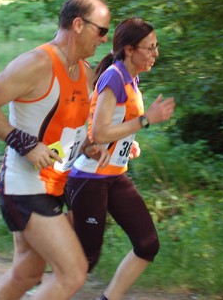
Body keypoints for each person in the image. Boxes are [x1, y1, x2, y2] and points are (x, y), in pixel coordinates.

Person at [0, 0, 111, 300]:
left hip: (53, 186)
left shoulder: (84, 72)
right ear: (78, 24)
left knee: (27, 273)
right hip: (25, 188)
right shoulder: (36, 63)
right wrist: (25, 144)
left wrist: (87, 146)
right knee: (72, 273)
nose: (104, 39)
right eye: (101, 31)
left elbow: (66, 127)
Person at [66, 17, 176, 300]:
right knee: (85, 261)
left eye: (156, 47)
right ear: (129, 49)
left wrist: (129, 143)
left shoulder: (131, 78)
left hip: (114, 176)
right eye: (149, 48)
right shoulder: (114, 76)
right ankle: (38, 281)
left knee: (147, 244)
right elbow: (99, 131)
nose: (155, 53)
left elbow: (115, 125)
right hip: (90, 178)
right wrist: (146, 121)